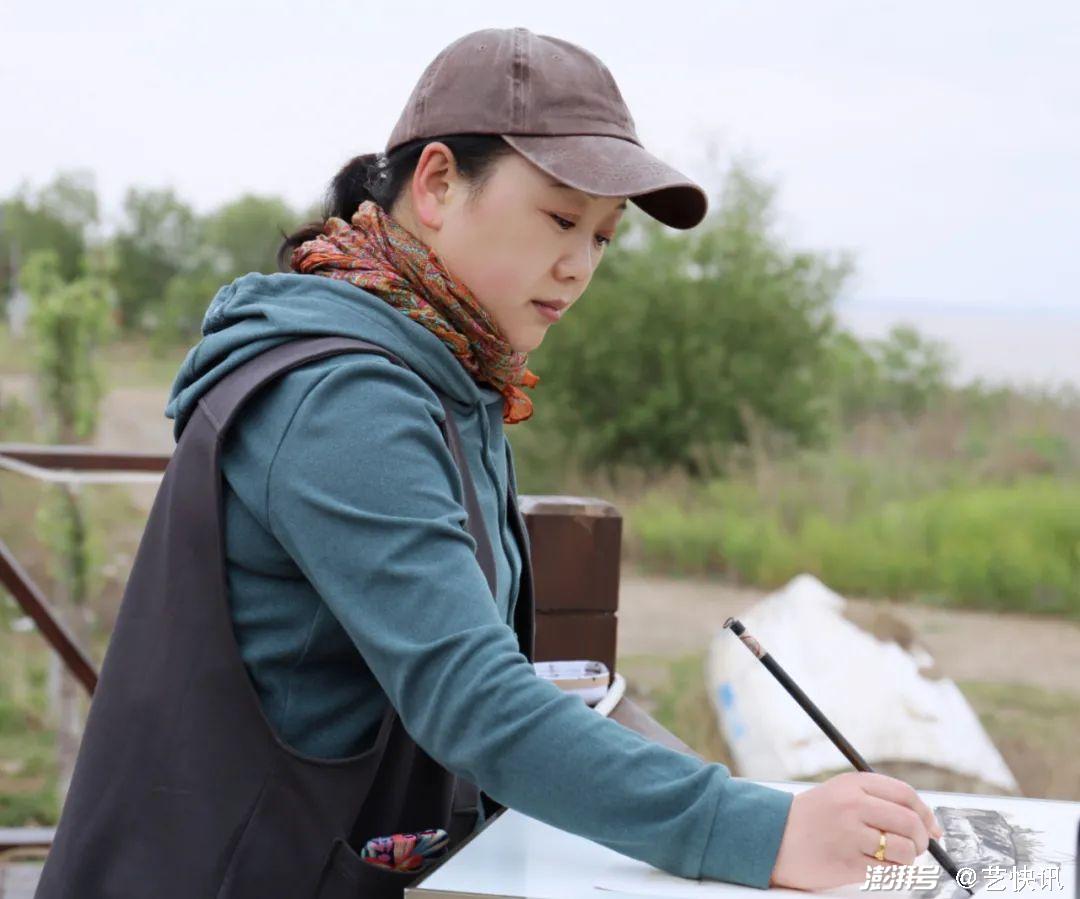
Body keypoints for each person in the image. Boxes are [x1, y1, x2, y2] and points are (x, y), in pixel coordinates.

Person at [36, 26, 943, 898]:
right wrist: (758, 829)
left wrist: (732, 800)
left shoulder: (451, 375)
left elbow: (479, 677)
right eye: (560, 217)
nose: (579, 264)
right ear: (437, 183)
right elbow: (471, 697)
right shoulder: (344, 396)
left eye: (601, 236)